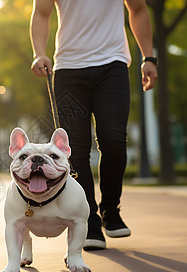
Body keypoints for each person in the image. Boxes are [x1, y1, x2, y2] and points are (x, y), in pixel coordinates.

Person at [30, 0, 158, 250]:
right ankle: (89, 221)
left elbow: (138, 9)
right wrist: (38, 52)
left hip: (112, 65)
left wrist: (148, 57)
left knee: (113, 139)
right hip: (69, 70)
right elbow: (41, 13)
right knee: (75, 149)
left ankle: (111, 209)